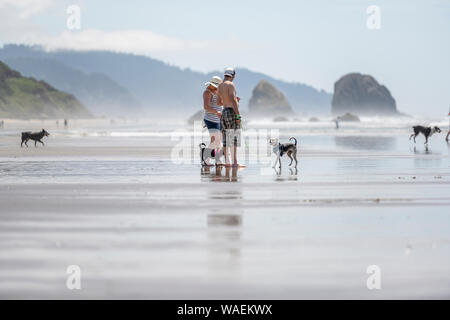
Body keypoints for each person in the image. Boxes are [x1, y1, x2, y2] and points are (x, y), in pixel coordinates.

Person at [217, 67, 242, 167]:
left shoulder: (220, 86)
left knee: (226, 138)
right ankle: (234, 162)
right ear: (233, 75)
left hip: (224, 112)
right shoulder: (230, 84)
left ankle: (227, 162)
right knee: (234, 138)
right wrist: (238, 115)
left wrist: (230, 101)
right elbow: (232, 99)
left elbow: (219, 102)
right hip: (231, 112)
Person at [203, 76, 223, 153]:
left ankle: (217, 160)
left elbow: (220, 104)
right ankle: (206, 158)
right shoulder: (207, 93)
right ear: (210, 85)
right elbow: (206, 107)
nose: (216, 88)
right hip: (211, 120)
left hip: (218, 120)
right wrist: (216, 112)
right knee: (216, 140)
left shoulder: (216, 91)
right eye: (215, 87)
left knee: (216, 141)